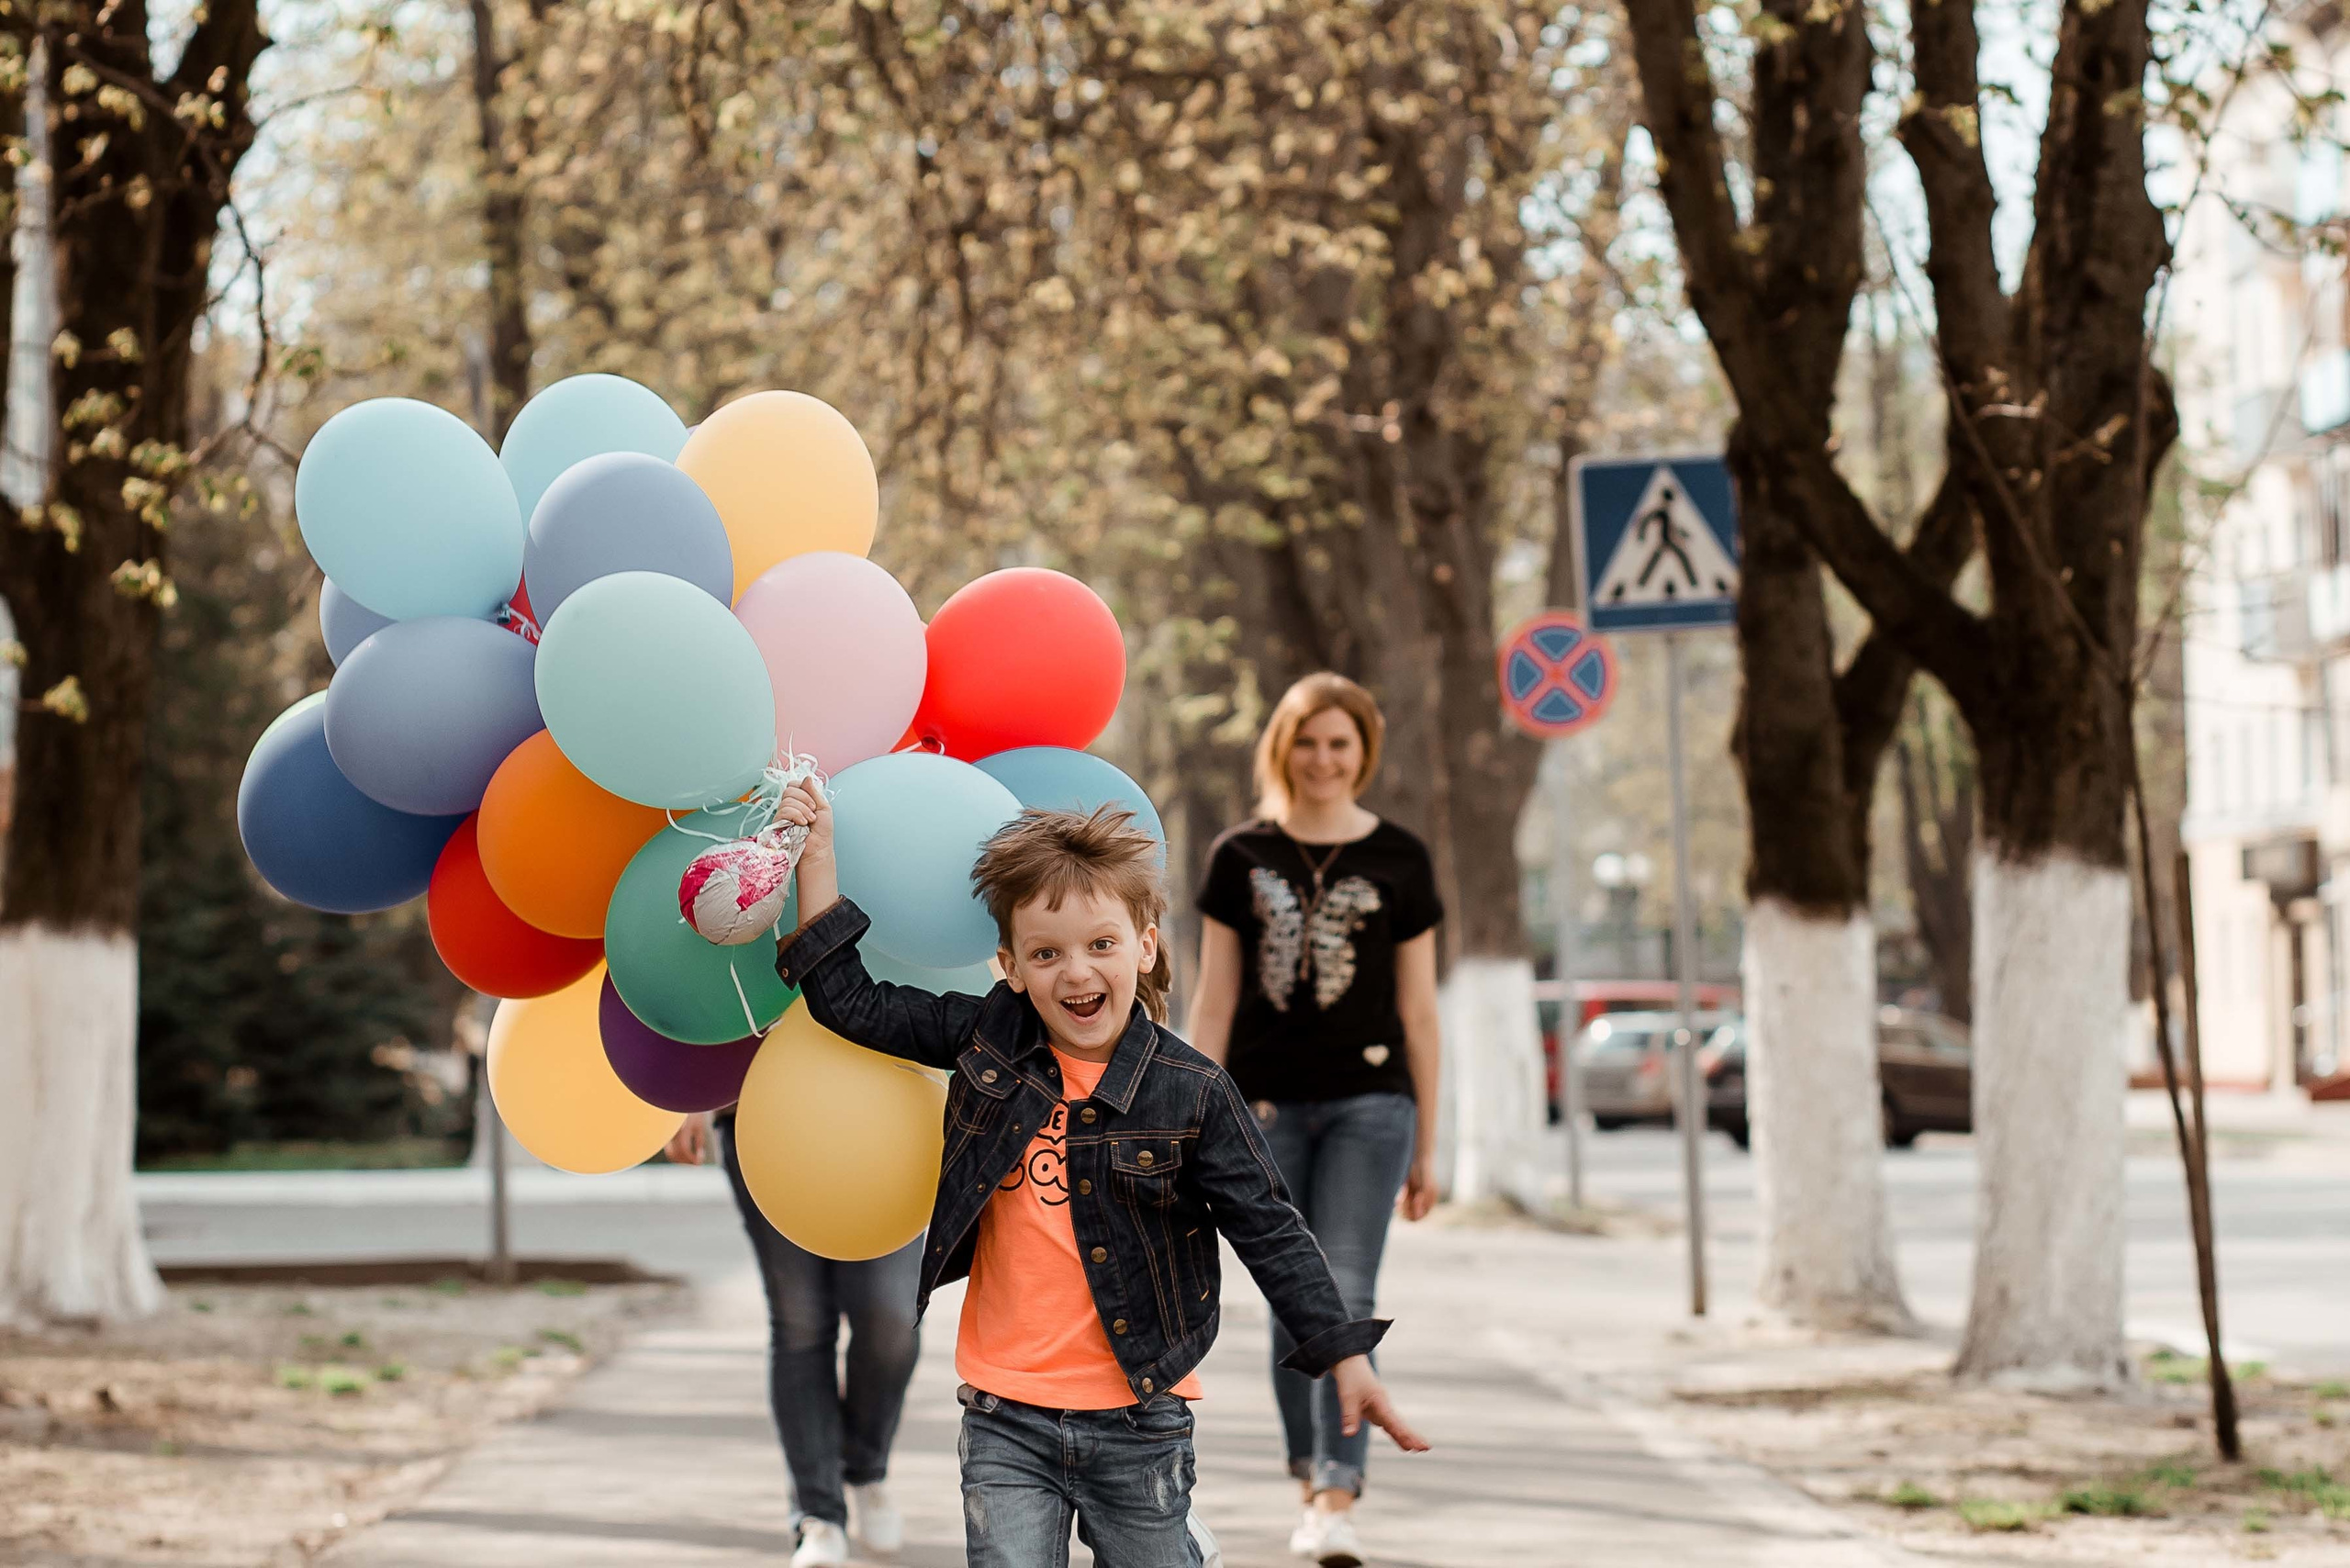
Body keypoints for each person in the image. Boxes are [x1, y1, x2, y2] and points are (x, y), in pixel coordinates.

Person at [768, 788, 1428, 1568]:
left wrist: (1345, 1354)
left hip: (1140, 1417)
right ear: (1009, 966)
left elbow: (1272, 1229)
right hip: (1004, 1410)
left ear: (1144, 946)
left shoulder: (1193, 1092)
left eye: (1101, 945)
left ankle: (1179, 1545)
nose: (1075, 972)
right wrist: (817, 854)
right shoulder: (989, 1041)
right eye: (1046, 953)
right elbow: (851, 1003)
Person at [1185, 672, 1443, 1568]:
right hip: (1258, 1109)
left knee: (1345, 1293)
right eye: (1307, 742)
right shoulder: (1237, 856)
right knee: (1293, 1303)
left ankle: (1336, 1494)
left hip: (1374, 1107)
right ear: (1282, 748)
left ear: (1363, 750)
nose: (1323, 760)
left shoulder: (1402, 858)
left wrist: (1430, 1145)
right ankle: (1309, 1475)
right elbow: (1214, 1003)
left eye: (1340, 743)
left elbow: (1420, 1012)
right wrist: (1186, 1119)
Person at [663, 1112, 921, 1566]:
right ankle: (817, 1513)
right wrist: (687, 1100)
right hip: (761, 1113)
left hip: (878, 1112)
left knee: (892, 1320)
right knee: (800, 1323)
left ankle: (864, 1467)